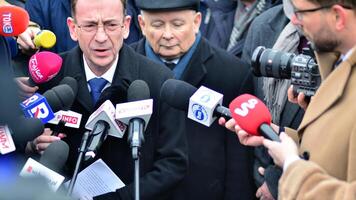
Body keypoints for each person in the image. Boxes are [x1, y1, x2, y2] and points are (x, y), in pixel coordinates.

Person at [16, 0, 188, 199]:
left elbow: (173, 163)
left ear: (126, 26)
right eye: (89, 25)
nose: (101, 37)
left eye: (111, 25)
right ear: (73, 28)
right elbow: (12, 142)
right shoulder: (49, 77)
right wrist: (31, 144)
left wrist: (119, 198)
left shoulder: (159, 80)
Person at [222, 0, 356, 199]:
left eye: (301, 13)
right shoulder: (339, 61)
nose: (293, 20)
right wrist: (279, 135)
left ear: (338, 16)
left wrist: (291, 165)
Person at [131, 0, 256, 199]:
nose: (168, 34)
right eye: (157, 25)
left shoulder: (233, 74)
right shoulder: (125, 69)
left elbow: (238, 168)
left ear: (197, 21)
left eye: (178, 24)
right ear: (142, 24)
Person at [241, 0, 306, 199]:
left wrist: (279, 181)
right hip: (259, 177)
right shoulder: (264, 24)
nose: (296, 18)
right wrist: (265, 179)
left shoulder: (339, 41)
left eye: (304, 13)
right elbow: (249, 97)